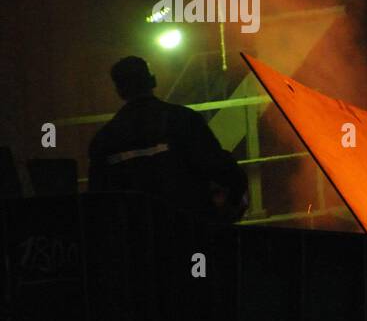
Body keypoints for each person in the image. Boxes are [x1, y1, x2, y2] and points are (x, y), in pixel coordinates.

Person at [88, 56, 248, 223]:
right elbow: (219, 167)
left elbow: (99, 198)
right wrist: (234, 199)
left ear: (120, 90)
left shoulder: (104, 139)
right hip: (187, 226)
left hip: (135, 235)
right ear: (152, 80)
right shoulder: (183, 119)